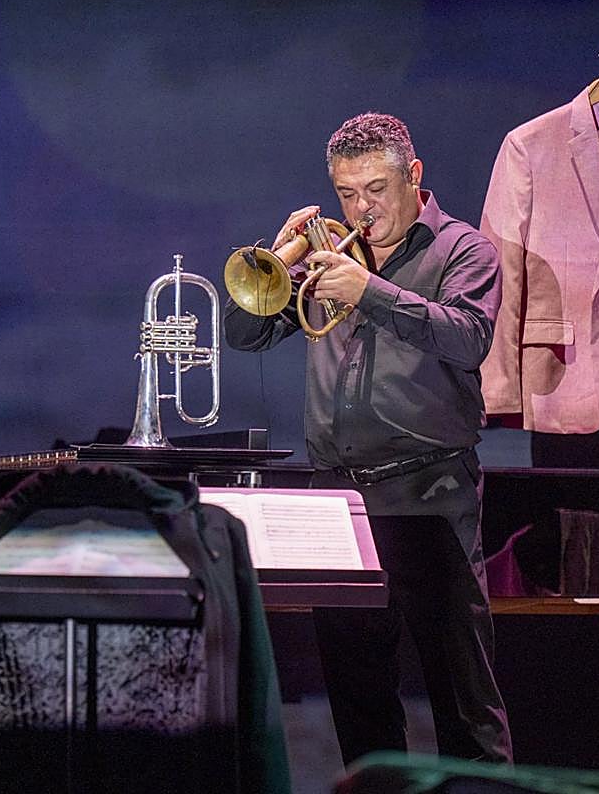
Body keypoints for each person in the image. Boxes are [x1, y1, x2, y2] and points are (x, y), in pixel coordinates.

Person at [221, 113, 513, 764]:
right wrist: (279, 261)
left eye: (376, 189)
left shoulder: (463, 250)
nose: (362, 209)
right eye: (348, 193)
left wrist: (370, 291)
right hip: (339, 503)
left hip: (430, 490)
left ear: (414, 176)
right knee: (357, 696)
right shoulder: (331, 258)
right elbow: (244, 335)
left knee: (462, 696)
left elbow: (468, 338)